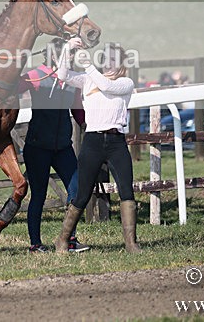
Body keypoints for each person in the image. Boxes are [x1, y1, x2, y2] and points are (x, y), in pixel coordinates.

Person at [54, 38, 141, 253]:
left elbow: (106, 86)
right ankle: (62, 240)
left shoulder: (126, 82)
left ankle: (131, 243)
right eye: (106, 59)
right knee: (83, 195)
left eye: (113, 59)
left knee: (126, 191)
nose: (108, 63)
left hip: (116, 143)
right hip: (93, 142)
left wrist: (87, 65)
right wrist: (68, 48)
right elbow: (62, 75)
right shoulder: (88, 79)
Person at [19, 38, 89, 253]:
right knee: (38, 195)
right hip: (37, 147)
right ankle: (35, 244)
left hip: (63, 147)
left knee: (76, 191)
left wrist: (87, 125)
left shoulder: (71, 79)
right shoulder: (35, 75)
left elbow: (77, 108)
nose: (71, 58)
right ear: (53, 55)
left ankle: (69, 240)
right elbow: (11, 88)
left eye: (71, 54)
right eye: (68, 54)